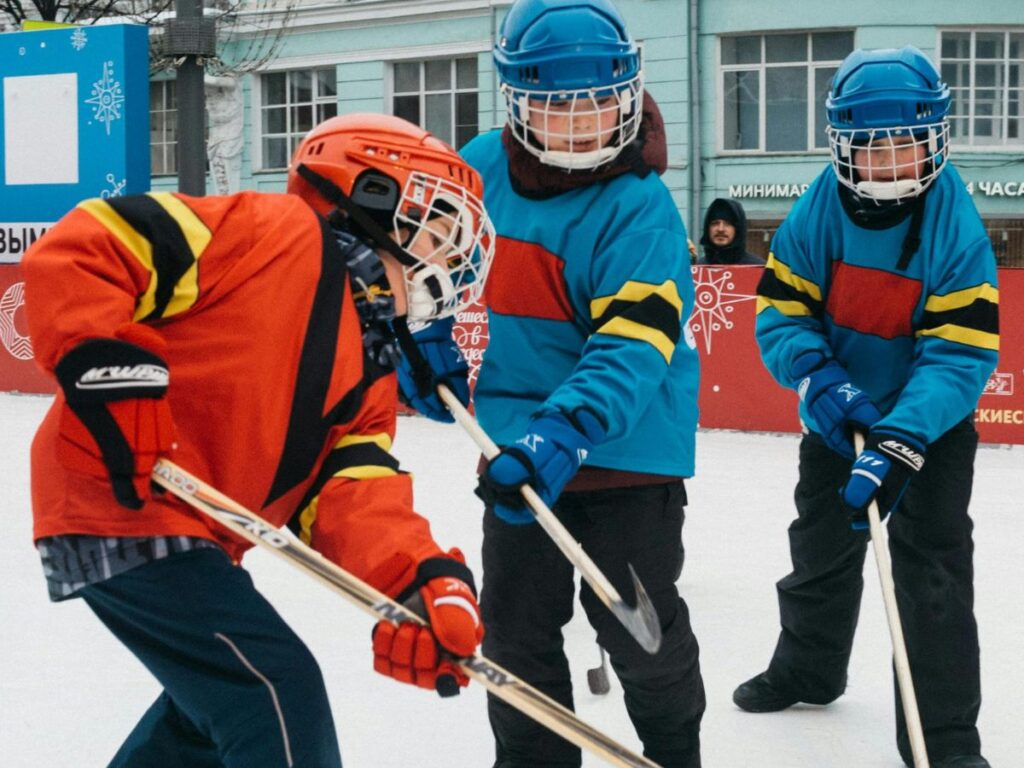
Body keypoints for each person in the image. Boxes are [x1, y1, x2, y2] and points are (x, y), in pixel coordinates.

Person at [22, 113, 495, 767]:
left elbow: (350, 490)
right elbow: (94, 243)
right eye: (439, 227)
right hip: (120, 493)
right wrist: (110, 367)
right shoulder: (269, 234)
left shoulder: (372, 362)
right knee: (275, 688)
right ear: (373, 197)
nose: (451, 254)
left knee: (206, 721)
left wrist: (420, 578)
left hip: (196, 534)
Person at [736, 46, 998, 768]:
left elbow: (960, 354)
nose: (890, 165)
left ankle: (941, 743)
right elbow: (782, 314)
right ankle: (808, 669)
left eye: (907, 146)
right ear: (842, 145)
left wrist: (902, 438)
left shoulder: (956, 227)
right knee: (818, 552)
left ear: (935, 139)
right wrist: (820, 380)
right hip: (838, 415)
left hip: (928, 429)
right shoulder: (819, 206)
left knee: (931, 576)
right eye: (870, 149)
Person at [461, 0, 705, 765]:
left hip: (627, 450)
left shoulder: (641, 209)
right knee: (514, 633)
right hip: (513, 445)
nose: (581, 125)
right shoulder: (478, 169)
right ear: (517, 101)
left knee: (640, 632)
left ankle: (674, 751)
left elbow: (634, 342)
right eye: (555, 107)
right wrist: (420, 327)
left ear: (627, 94)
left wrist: (565, 428)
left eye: (599, 103)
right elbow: (426, 258)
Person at [697, 197, 764, 266]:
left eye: (728, 224)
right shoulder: (697, 268)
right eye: (715, 223)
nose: (721, 229)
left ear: (737, 229)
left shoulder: (757, 267)